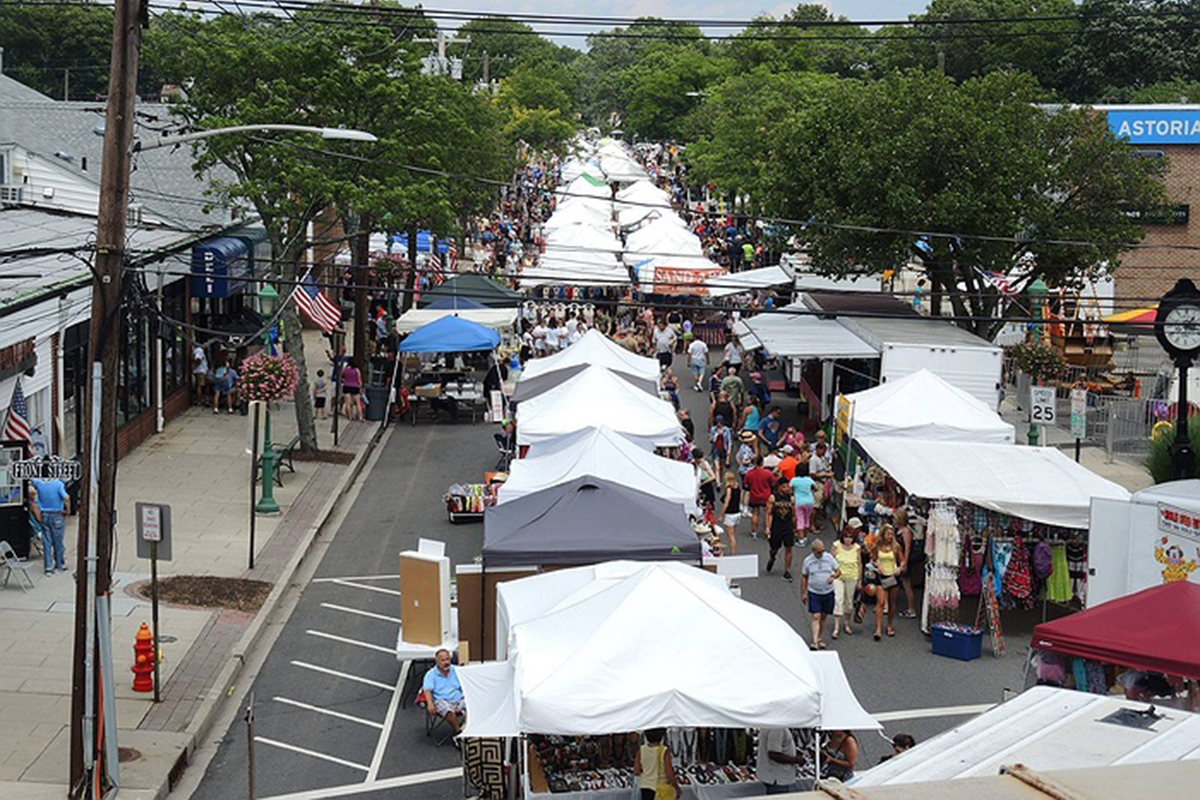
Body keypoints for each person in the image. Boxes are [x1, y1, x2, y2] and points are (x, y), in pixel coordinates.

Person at [802, 538, 840, 649]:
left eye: (823, 550)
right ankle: (814, 642)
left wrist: (833, 577)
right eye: (819, 551)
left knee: (824, 616)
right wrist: (804, 593)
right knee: (816, 616)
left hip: (827, 592)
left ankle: (820, 638)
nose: (822, 553)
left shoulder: (829, 558)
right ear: (813, 551)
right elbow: (804, 577)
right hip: (814, 592)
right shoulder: (808, 561)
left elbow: (838, 571)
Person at [422, 648, 466, 744]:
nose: (446, 662)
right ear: (437, 661)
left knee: (474, 706)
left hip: (458, 698)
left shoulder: (456, 670)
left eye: (447, 659)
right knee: (448, 711)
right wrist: (430, 704)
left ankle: (464, 729)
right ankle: (458, 733)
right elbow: (427, 690)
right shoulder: (430, 675)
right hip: (441, 700)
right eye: (443, 660)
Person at [871, 524, 906, 641]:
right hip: (881, 576)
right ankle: (878, 628)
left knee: (892, 604)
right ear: (883, 535)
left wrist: (899, 569)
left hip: (892, 576)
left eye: (892, 534)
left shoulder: (896, 547)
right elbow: (873, 559)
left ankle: (890, 625)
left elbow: (902, 561)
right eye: (888, 534)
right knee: (880, 602)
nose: (890, 537)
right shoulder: (878, 546)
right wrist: (877, 565)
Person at [831, 519, 863, 638]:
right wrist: (831, 575)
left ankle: (847, 623)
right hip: (838, 576)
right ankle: (836, 627)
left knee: (849, 601)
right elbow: (831, 560)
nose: (848, 539)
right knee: (838, 599)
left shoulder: (857, 548)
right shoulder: (836, 545)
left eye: (850, 537)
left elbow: (859, 564)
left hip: (852, 576)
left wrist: (860, 580)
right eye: (846, 537)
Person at [32, 477, 70, 576]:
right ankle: (59, 565)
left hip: (44, 513)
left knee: (47, 542)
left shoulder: (39, 483)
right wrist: (68, 510)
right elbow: (66, 498)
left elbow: (30, 482)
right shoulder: (59, 484)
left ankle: (48, 567)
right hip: (57, 513)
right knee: (58, 541)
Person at [634, 728, 679, 800]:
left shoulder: (641, 749)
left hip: (645, 786)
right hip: (660, 788)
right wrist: (677, 788)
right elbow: (669, 772)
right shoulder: (664, 750)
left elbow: (636, 771)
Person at [756, 727, 803, 795]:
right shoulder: (778, 729)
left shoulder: (771, 725)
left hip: (775, 776)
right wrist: (796, 760)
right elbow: (773, 754)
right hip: (778, 778)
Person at [765, 478, 795, 581]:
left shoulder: (791, 499)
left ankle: (787, 571)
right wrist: (768, 527)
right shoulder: (773, 498)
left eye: (788, 486)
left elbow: (794, 514)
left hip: (788, 526)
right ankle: (772, 557)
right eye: (784, 486)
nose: (787, 488)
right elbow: (768, 513)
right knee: (774, 548)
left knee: (789, 548)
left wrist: (795, 527)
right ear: (779, 487)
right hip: (776, 526)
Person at [894, 508, 918, 618]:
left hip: (903, 560)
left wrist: (905, 562)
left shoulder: (906, 531)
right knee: (898, 583)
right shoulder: (898, 529)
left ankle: (911, 608)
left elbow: (907, 548)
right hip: (897, 559)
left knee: (906, 584)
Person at [744, 455, 775, 540]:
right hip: (766, 496)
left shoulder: (749, 474)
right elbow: (773, 483)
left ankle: (754, 532)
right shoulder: (768, 473)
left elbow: (746, 485)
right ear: (762, 462)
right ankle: (768, 530)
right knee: (768, 513)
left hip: (754, 496)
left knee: (755, 513)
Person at [790, 461, 817, 548]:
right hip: (809, 501)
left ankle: (801, 539)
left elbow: (790, 489)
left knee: (800, 520)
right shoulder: (809, 480)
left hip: (799, 501)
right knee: (806, 519)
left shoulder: (794, 480)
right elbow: (815, 487)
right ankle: (805, 536)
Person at [718, 471, 741, 556]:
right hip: (737, 513)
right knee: (733, 535)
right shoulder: (737, 486)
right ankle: (733, 552)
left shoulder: (729, 489)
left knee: (730, 537)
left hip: (730, 514)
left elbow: (726, 503)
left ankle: (733, 554)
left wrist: (721, 515)